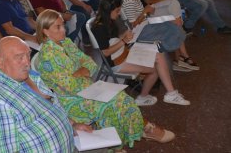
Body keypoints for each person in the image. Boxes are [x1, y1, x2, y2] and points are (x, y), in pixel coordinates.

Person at [35, 9, 176, 149]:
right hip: (71, 101)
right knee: (112, 104)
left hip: (87, 89)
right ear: (45, 31)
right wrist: (82, 72)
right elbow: (71, 87)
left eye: (63, 24)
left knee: (123, 98)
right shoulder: (47, 58)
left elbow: (90, 63)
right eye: (58, 27)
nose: (64, 29)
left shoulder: (65, 43)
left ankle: (139, 130)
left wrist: (81, 72)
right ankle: (130, 138)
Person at [0, 36, 93, 152]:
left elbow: (52, 105)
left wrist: (72, 124)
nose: (27, 63)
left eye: (28, 55)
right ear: (0, 62)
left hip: (73, 143)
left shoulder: (24, 75)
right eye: (19, 57)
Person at [92, 0, 191, 105]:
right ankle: (145, 97)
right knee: (155, 69)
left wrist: (128, 34)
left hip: (123, 53)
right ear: (108, 11)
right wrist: (124, 41)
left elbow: (114, 39)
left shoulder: (109, 20)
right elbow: (105, 52)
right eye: (117, 11)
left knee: (158, 54)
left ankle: (170, 94)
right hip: (116, 62)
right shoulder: (99, 27)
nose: (119, 13)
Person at [122, 0, 198, 70]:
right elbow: (133, 25)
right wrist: (145, 12)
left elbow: (142, 15)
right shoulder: (128, 1)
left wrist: (148, 12)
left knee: (174, 23)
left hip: (146, 23)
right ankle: (182, 58)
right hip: (140, 32)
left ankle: (181, 58)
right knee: (173, 27)